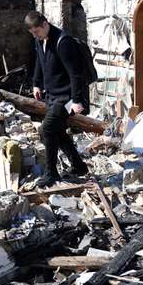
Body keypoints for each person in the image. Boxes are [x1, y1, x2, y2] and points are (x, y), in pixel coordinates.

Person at [25, 11, 89, 187]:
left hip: (67, 97)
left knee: (47, 129)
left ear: (45, 24)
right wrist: (36, 83)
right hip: (52, 95)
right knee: (58, 132)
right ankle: (79, 166)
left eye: (37, 31)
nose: (36, 36)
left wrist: (77, 100)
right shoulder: (41, 40)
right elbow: (39, 61)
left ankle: (51, 173)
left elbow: (75, 74)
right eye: (33, 34)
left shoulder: (63, 41)